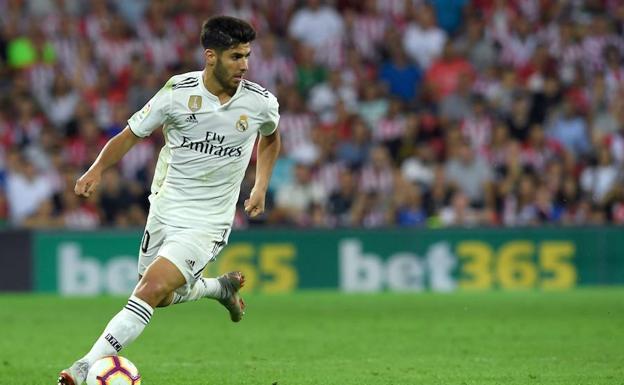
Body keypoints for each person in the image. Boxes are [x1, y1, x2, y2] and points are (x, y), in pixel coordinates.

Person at [58, 16, 281, 385]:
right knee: (158, 297)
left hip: (208, 221)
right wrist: (96, 170)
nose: (244, 66)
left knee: (150, 289)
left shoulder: (259, 102)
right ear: (211, 56)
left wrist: (260, 186)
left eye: (247, 56)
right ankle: (218, 288)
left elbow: (271, 138)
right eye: (235, 57)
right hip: (164, 209)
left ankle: (85, 366)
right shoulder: (178, 92)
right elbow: (130, 135)